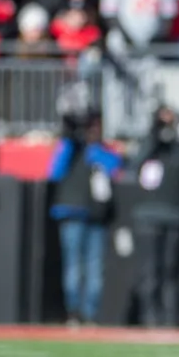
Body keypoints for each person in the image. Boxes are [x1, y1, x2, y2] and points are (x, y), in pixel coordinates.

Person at [47, 112, 122, 326]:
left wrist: (93, 149)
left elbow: (116, 167)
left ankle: (90, 314)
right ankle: (73, 312)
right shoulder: (70, 148)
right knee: (73, 266)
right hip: (72, 214)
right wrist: (69, 141)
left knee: (95, 268)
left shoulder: (100, 151)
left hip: (97, 216)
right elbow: (54, 171)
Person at [128, 106, 179, 327]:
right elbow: (136, 163)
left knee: (170, 271)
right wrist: (155, 132)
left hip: (174, 216)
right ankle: (149, 318)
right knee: (150, 271)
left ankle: (169, 319)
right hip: (148, 217)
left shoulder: (178, 150)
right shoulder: (150, 146)